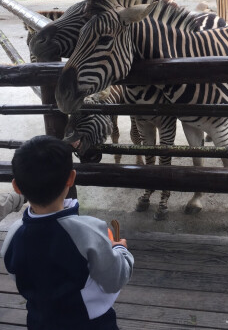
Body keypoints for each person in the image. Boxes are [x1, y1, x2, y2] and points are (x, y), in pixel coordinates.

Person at [1, 135, 134, 330]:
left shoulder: (12, 235)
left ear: (16, 187)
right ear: (71, 178)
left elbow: (20, 277)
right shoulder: (89, 231)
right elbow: (115, 279)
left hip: (39, 322)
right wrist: (121, 251)